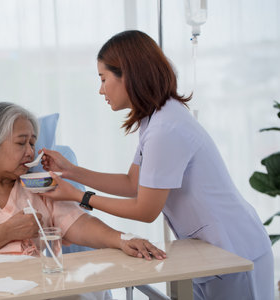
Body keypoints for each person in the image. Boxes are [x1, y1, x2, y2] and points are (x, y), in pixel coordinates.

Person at [40, 30, 274, 300]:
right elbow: (132, 182)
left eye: (103, 79)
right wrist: (71, 171)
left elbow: (146, 209)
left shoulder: (166, 127)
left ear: (127, 74)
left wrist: (79, 195)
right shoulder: (153, 119)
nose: (101, 89)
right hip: (208, 250)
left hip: (235, 250)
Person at [0, 102, 166, 299]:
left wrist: (122, 239)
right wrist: (6, 232)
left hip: (35, 281)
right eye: (21, 142)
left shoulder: (37, 186)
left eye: (33, 142)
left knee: (76, 292)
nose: (30, 151)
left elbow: (78, 224)